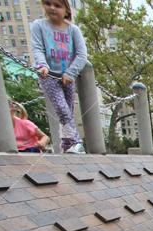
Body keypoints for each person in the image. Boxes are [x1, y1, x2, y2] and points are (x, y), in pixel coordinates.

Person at [31, 0, 88, 154]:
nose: (52, 8)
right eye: (48, 4)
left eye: (57, 5)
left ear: (66, 10)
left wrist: (71, 72)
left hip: (67, 76)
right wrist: (42, 65)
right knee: (62, 109)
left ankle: (66, 144)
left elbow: (82, 54)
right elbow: (37, 48)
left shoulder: (73, 30)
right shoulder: (39, 26)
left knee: (68, 110)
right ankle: (76, 142)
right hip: (48, 75)